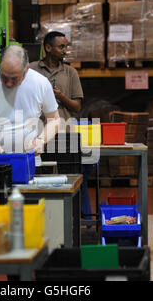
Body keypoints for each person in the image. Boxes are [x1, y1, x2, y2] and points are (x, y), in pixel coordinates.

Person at [30, 31, 93, 220]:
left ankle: (69, 220)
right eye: (61, 46)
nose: (65, 50)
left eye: (66, 46)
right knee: (39, 180)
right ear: (48, 48)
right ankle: (44, 219)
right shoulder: (31, 70)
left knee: (67, 180)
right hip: (37, 136)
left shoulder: (70, 73)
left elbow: (76, 106)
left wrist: (59, 96)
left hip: (65, 136)